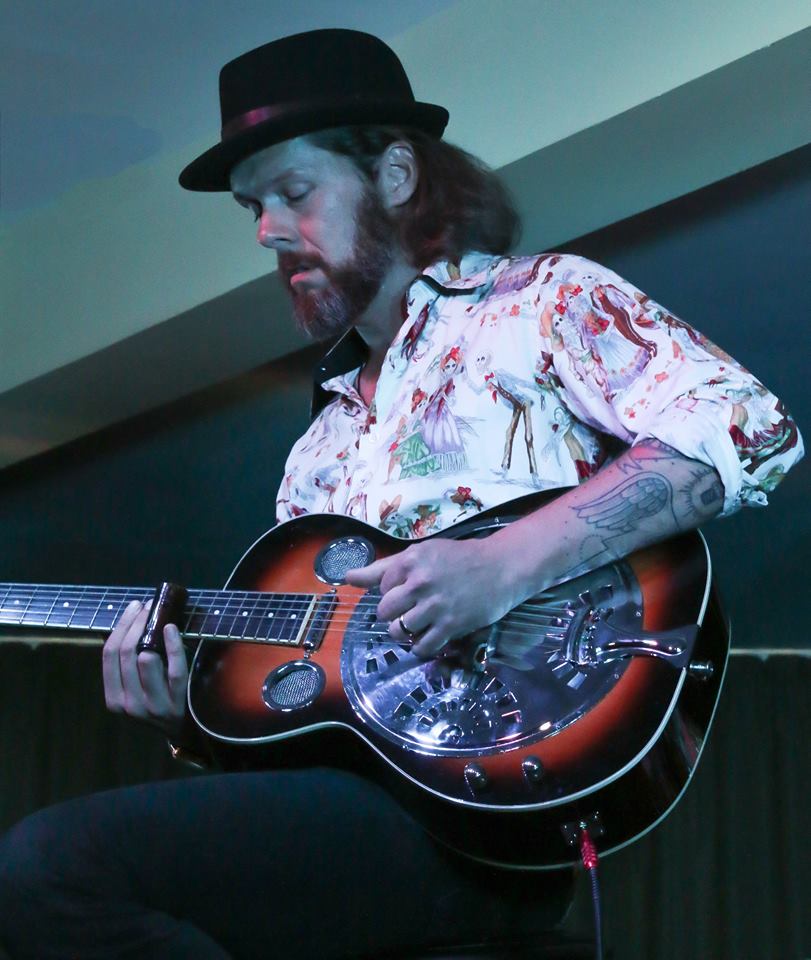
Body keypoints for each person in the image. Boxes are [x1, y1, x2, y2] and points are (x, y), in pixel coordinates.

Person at [0, 28, 802, 960]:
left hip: (504, 800)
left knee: (50, 868)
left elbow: (749, 427)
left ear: (393, 176)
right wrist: (186, 714)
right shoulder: (316, 453)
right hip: (370, 813)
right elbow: (316, 709)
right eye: (253, 208)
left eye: (292, 192)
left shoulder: (540, 304)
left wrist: (500, 567)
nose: (266, 231)